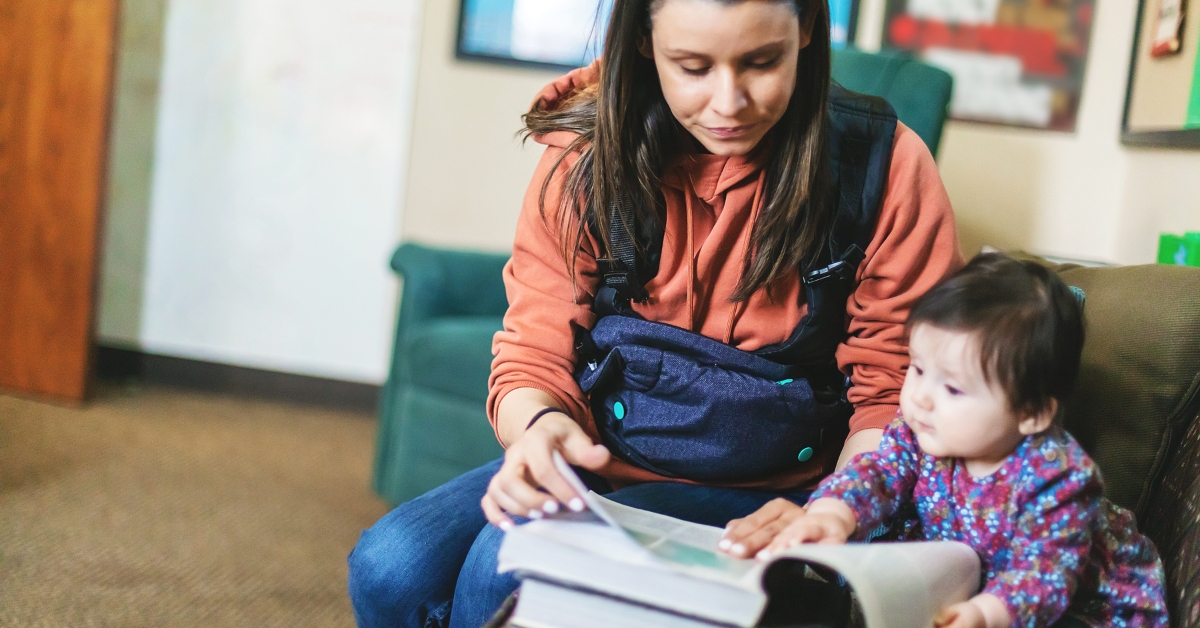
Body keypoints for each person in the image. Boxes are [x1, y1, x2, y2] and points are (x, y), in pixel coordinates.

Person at [347, 0, 962, 625]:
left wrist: (840, 506)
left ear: (807, 29)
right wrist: (538, 429)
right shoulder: (581, 151)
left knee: (501, 567)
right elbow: (534, 347)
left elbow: (893, 392)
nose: (728, 102)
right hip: (597, 453)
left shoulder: (887, 167)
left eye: (761, 62)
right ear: (644, 42)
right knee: (388, 567)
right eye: (692, 66)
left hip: (781, 490)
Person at [722, 253, 1169, 628]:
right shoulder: (921, 427)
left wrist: (985, 613)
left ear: (1032, 413)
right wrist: (832, 514)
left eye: (953, 389)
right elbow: (878, 471)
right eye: (918, 368)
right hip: (963, 575)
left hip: (1076, 608)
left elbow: (1045, 576)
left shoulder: (1059, 477)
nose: (920, 398)